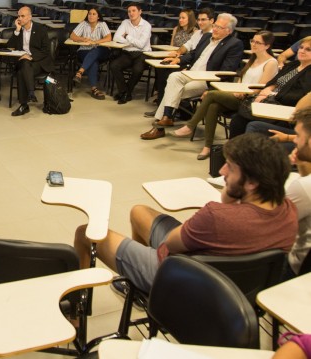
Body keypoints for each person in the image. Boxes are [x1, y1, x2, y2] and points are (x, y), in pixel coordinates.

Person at [74, 133, 297, 293]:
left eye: (230, 166)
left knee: (85, 233)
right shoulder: (289, 212)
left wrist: (226, 201)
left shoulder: (216, 216)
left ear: (252, 183)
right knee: (139, 212)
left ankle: (76, 313)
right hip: (237, 287)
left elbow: (170, 245)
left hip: (181, 281)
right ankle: (133, 280)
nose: (222, 171)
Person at [168, 31, 279, 160]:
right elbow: (241, 80)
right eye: (252, 41)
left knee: (211, 94)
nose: (253, 44)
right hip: (239, 96)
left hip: (252, 100)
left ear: (267, 46)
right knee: (213, 106)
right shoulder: (253, 59)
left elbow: (261, 87)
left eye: (258, 42)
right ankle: (207, 147)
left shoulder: (271, 62)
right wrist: (235, 91)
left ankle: (190, 126)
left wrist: (242, 92)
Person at [140, 13, 244, 140]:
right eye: (215, 25)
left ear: (228, 31)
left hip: (206, 80)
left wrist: (211, 88)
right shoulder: (206, 37)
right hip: (191, 73)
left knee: (172, 91)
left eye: (219, 27)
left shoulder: (234, 44)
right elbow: (194, 54)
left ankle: (160, 126)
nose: (215, 29)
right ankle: (166, 117)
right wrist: (178, 59)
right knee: (173, 76)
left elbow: (227, 70)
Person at [229, 36, 311, 138]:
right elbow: (273, 81)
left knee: (251, 124)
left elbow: (298, 97)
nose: (302, 51)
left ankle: (243, 152)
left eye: (308, 49)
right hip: (268, 103)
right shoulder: (293, 65)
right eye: (301, 47)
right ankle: (233, 152)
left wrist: (273, 94)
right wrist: (266, 91)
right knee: (238, 120)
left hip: (283, 112)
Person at [7, 6, 55, 116]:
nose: (19, 18)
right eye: (18, 16)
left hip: (38, 62)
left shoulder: (40, 29)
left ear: (30, 17)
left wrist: (31, 56)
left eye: (22, 16)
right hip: (24, 62)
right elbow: (10, 46)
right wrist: (17, 30)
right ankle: (31, 93)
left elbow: (45, 50)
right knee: (24, 65)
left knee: (22, 70)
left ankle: (24, 105)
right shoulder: (19, 30)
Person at [283, 108, 311, 278]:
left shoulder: (303, 186)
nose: (295, 141)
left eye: (298, 136)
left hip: (295, 271)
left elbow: (272, 222)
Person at [109, 2, 152, 104]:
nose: (131, 13)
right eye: (129, 11)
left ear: (140, 12)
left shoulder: (146, 25)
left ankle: (125, 92)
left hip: (143, 53)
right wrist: (131, 43)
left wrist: (127, 36)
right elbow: (116, 38)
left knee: (138, 70)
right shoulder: (125, 22)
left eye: (134, 11)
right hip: (128, 52)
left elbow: (141, 45)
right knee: (114, 65)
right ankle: (125, 92)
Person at [70, 8, 112, 100]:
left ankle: (80, 71)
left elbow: (108, 38)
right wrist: (83, 39)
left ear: (98, 17)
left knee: (95, 51)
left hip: (101, 50)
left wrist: (96, 42)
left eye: (94, 14)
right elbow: (72, 36)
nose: (91, 16)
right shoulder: (83, 24)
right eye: (89, 14)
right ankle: (94, 89)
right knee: (93, 61)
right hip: (84, 50)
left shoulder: (102, 24)